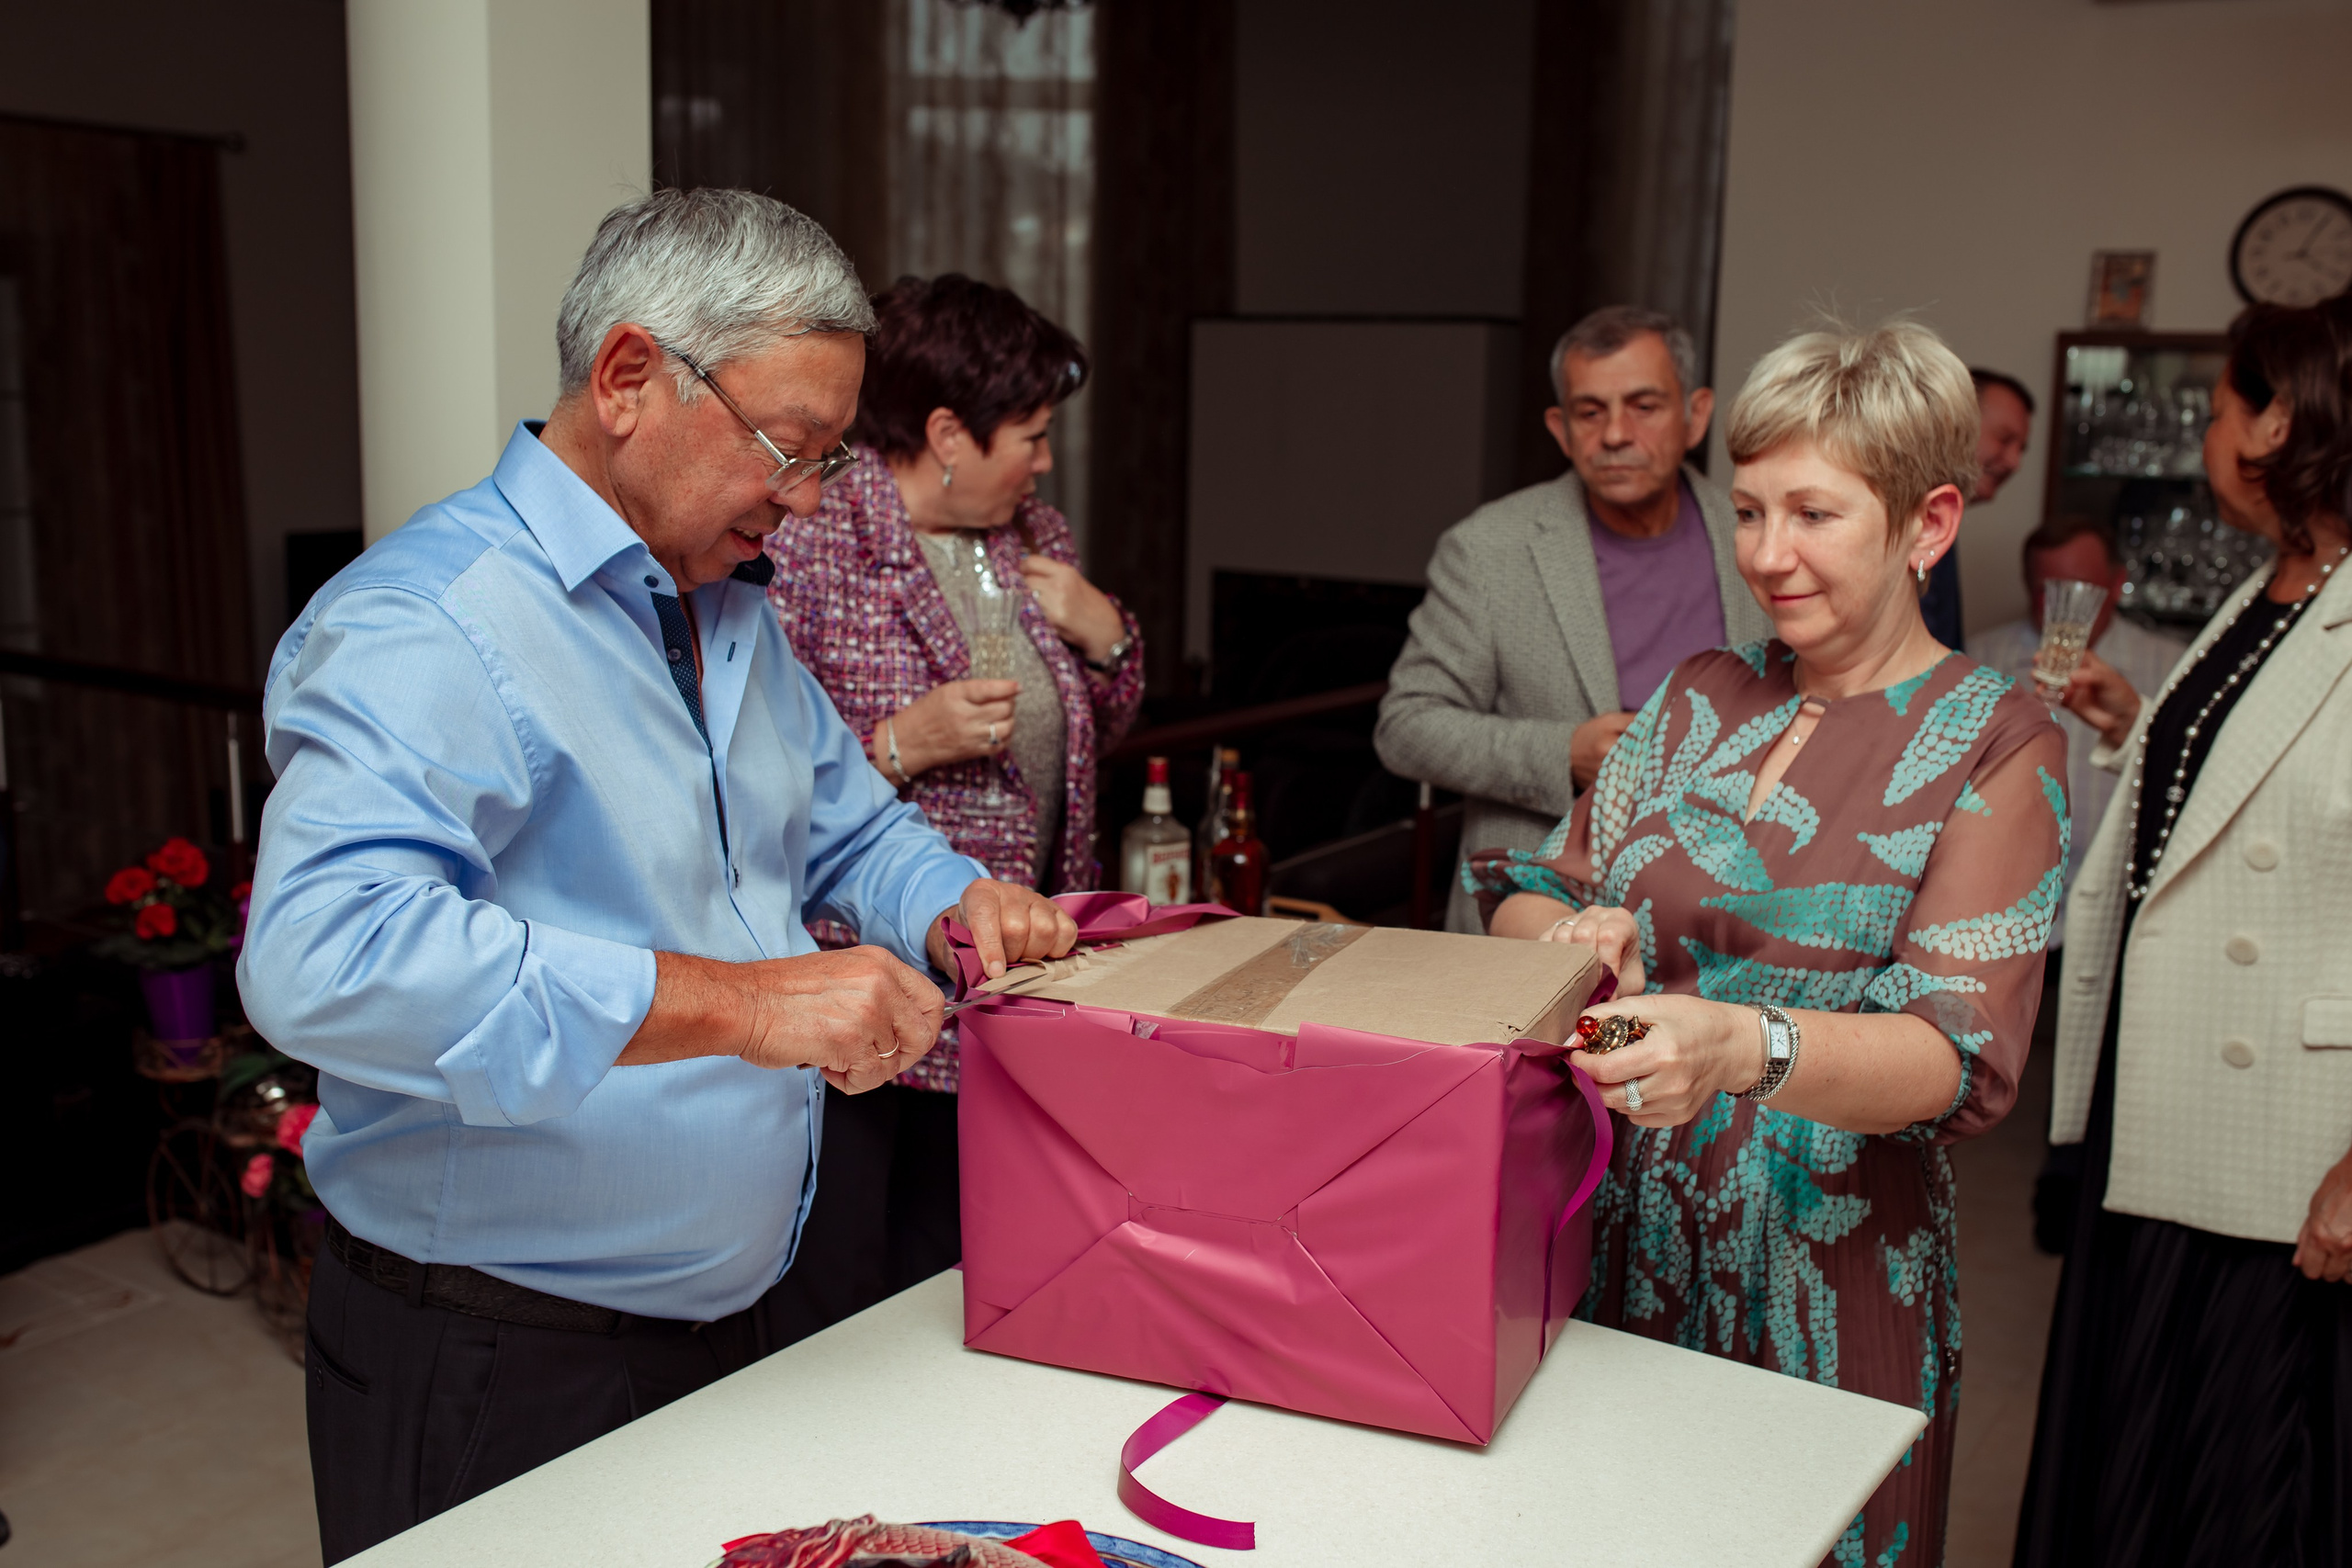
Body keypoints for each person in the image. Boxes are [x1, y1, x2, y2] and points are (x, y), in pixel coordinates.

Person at [236, 190, 1078, 1563]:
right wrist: (749, 1008)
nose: (804, 503)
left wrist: (946, 895)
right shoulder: (427, 621)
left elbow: (848, 826)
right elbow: (327, 956)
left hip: (730, 1319)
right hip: (499, 1351)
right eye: (786, 449)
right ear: (629, 378)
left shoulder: (726, 610)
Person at [1468, 319, 2066, 1567]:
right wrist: (1580, 939)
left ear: (1928, 522)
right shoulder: (1695, 694)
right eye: (1746, 512)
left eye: (1813, 514)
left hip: (1829, 1263)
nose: (1767, 556)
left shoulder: (1994, 738)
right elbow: (1522, 886)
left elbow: (1961, 1056)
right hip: (1613, 1232)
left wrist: (1743, 1043)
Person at [2014, 300, 2352, 1567]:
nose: (2212, 434)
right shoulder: (2275, 584)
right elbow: (2266, 786)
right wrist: (2135, 721)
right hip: (2166, 1093)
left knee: (2246, 1468)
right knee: (2141, 1436)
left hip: (2293, 1128)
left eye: (2219, 409)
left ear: (2279, 418)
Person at [762, 273, 1142, 1329]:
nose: (1044, 461)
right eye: (1029, 434)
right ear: (945, 433)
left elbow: (1083, 739)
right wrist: (901, 743)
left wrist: (1108, 638)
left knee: (980, 1273)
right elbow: (764, 777)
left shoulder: (1036, 541)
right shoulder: (809, 544)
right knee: (854, 1297)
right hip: (874, 984)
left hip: (1016, 982)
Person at [1375, 305, 1770, 933]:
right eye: (1591, 412)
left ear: (1695, 415)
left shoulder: (1758, 540)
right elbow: (1406, 727)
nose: (1615, 433)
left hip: (1727, 920)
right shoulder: (1489, 549)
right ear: (1561, 429)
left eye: (1644, 406)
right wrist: (1563, 753)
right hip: (1533, 920)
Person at [1967, 514, 2187, 1251]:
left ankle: (2071, 1178)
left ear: (2118, 585)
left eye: (2081, 590)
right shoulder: (1982, 657)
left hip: (2115, 904)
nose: (2059, 607)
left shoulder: (2170, 664)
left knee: (2107, 1056)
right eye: (2045, 589)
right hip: (2004, 904)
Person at [1919, 367, 2037, 649]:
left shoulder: (1942, 516)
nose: (2014, 463)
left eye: (2021, 448)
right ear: (1954, 423)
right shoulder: (1908, 519)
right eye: (2005, 439)